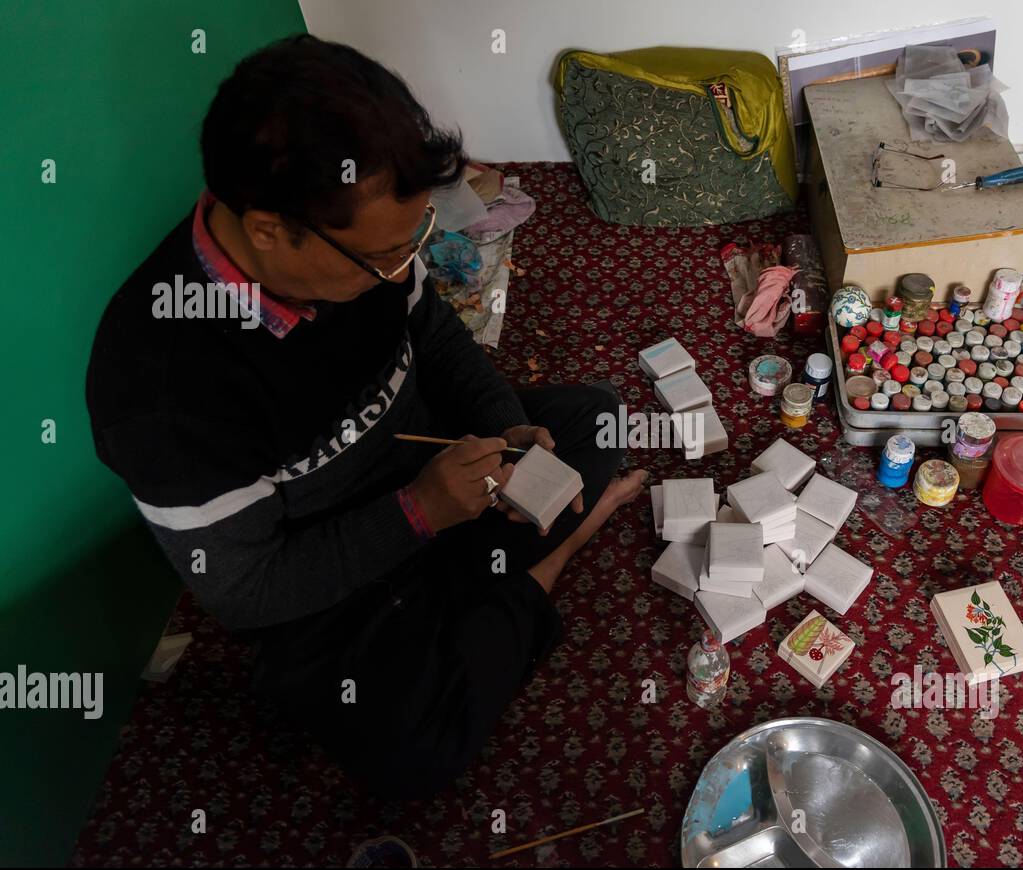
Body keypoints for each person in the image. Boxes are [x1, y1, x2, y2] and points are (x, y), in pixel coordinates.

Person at [85, 34, 645, 798]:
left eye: (413, 236)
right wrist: (419, 513)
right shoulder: (160, 387)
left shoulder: (364, 243)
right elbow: (243, 588)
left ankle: (481, 605)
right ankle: (514, 587)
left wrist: (503, 424)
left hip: (438, 468)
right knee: (411, 753)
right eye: (385, 254)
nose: (403, 262)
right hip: (335, 572)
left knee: (597, 421)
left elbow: (436, 333)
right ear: (270, 229)